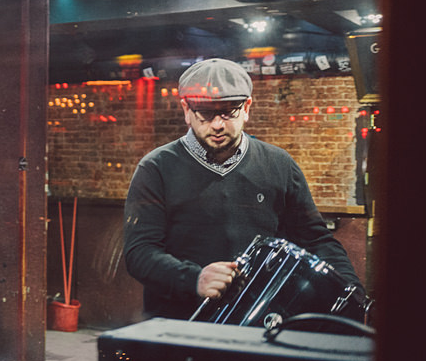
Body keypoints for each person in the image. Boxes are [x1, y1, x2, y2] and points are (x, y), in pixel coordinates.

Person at [123, 58, 362, 319]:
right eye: (205, 113)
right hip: (179, 324)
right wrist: (195, 279)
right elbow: (140, 253)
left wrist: (354, 294)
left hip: (260, 322)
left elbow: (316, 240)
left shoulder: (279, 164)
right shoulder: (156, 168)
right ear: (186, 110)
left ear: (247, 107)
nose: (217, 124)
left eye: (229, 112)